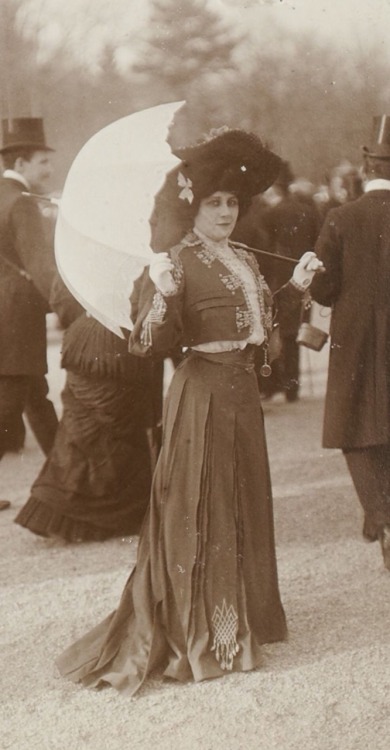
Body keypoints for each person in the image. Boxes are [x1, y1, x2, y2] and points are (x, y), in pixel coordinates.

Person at [56, 125, 322, 695]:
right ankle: (209, 634)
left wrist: (294, 289)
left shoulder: (245, 256)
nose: (225, 212)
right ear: (192, 206)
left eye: (232, 202)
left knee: (242, 502)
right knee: (204, 509)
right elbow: (148, 347)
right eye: (213, 203)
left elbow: (255, 328)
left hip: (242, 397)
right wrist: (163, 292)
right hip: (200, 396)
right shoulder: (171, 263)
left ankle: (248, 615)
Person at [14, 274, 162, 542]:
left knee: (84, 426)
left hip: (85, 331)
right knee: (113, 422)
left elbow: (60, 300)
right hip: (116, 335)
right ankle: (109, 516)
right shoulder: (135, 262)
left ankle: (71, 510)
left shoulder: (76, 262)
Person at [310, 115, 390, 570]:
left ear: (366, 166)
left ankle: (381, 514)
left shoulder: (340, 218)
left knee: (357, 428)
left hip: (356, 337)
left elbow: (323, 290)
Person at [0, 117, 58, 485]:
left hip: (6, 311)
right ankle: (72, 479)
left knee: (37, 396)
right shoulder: (21, 203)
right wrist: (67, 305)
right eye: (43, 162)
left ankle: (70, 479)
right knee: (9, 405)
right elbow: (40, 265)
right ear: (20, 164)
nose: (50, 170)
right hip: (18, 314)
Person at [259, 161, 321, 401]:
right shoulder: (308, 210)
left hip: (279, 276)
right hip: (305, 272)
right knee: (296, 330)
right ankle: (293, 386)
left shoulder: (270, 214)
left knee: (278, 331)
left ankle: (279, 383)